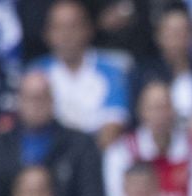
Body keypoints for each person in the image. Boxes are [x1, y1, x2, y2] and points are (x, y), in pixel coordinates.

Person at [0, 69, 106, 196]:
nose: (36, 104)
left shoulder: (80, 143)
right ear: (19, 101)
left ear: (52, 100)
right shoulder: (0, 146)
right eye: (30, 98)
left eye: (42, 97)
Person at [33, 0, 133, 145]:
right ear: (47, 34)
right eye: (59, 28)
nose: (66, 35)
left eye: (73, 27)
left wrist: (84, 159)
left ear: (88, 29)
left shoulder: (113, 71)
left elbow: (113, 126)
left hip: (97, 157)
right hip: (51, 159)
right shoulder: (36, 74)